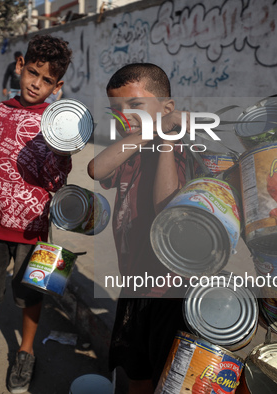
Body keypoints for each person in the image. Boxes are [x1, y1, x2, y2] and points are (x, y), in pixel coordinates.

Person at [0, 35, 72, 393]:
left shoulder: (58, 123)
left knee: (31, 294)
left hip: (32, 226)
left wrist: (60, 150)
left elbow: (56, 181)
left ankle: (25, 351)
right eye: (33, 73)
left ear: (58, 86)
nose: (36, 84)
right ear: (21, 65)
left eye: (47, 81)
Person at [87, 63, 195, 393]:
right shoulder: (129, 153)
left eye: (135, 106)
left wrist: (165, 138)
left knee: (168, 377)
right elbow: (94, 168)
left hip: (170, 294)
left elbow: (166, 207)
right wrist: (147, 132)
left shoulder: (180, 152)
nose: (125, 115)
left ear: (167, 108)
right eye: (116, 109)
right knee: (137, 371)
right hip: (134, 287)